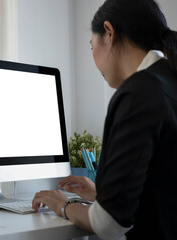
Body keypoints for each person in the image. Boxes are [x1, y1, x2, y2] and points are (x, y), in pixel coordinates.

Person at [32, 0, 177, 239]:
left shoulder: (138, 92)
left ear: (109, 32)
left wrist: (62, 205)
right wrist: (103, 195)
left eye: (92, 46)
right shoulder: (167, 81)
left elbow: (109, 225)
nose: (93, 56)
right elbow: (163, 195)